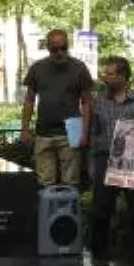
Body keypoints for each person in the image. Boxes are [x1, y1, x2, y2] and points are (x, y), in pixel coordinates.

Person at [89, 56, 134, 266]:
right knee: (101, 208)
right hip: (105, 158)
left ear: (123, 76)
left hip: (133, 160)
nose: (105, 77)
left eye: (110, 74)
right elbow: (94, 133)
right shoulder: (99, 101)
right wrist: (93, 162)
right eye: (105, 73)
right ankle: (99, 254)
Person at [21, 29, 93, 187]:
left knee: (71, 181)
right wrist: (25, 128)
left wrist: (85, 133)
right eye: (55, 49)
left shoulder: (79, 68)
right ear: (47, 47)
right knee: (45, 181)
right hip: (43, 130)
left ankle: (68, 211)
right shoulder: (37, 68)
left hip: (72, 128)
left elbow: (87, 102)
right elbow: (29, 100)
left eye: (64, 48)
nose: (60, 52)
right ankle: (48, 211)